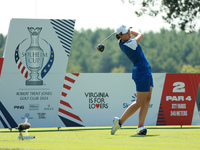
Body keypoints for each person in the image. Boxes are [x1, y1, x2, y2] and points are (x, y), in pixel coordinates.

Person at [111, 25, 153, 135]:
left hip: (145, 70)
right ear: (120, 35)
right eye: (127, 32)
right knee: (140, 102)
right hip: (141, 72)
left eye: (129, 31)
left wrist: (128, 30)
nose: (129, 34)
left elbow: (131, 35)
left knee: (147, 98)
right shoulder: (128, 44)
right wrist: (133, 31)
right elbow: (141, 34)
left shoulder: (123, 40)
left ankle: (140, 127)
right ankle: (119, 122)